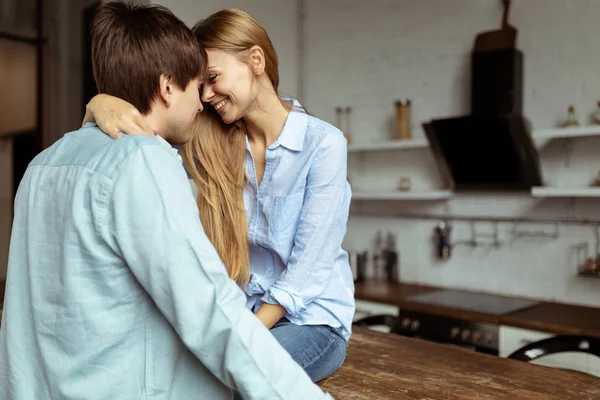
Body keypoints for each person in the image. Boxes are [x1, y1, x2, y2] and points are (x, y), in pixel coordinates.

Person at [0, 3, 333, 400]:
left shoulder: (43, 165)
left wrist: (95, 106)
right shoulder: (144, 162)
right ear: (167, 86)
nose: (201, 103)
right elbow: (212, 313)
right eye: (196, 87)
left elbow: (21, 322)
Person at [84, 7, 355, 383]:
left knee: (232, 384)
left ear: (255, 60)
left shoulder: (324, 145)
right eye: (200, 86)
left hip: (311, 321)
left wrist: (236, 338)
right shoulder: (212, 140)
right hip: (240, 318)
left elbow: (306, 276)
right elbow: (148, 124)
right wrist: (98, 103)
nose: (207, 96)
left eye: (212, 78)